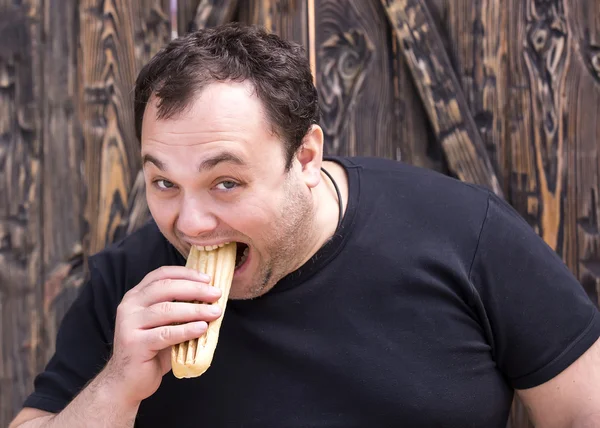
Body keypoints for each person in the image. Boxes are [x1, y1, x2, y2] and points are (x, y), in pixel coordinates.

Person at [9, 22, 600, 428]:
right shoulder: (130, 285)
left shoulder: (464, 235)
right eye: (164, 182)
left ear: (307, 158)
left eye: (226, 183)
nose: (190, 224)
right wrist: (115, 386)